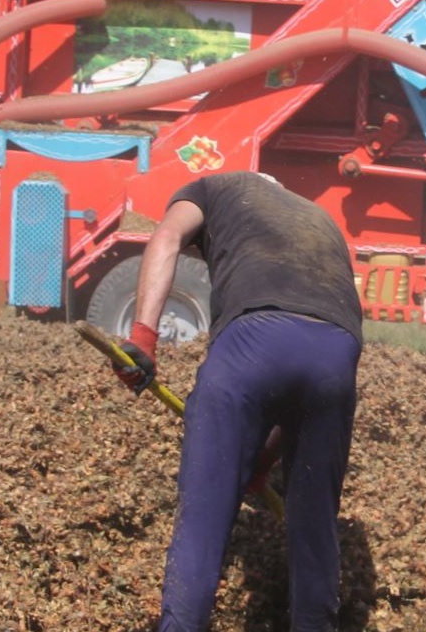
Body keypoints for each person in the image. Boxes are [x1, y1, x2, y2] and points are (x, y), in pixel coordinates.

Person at [112, 171, 364, 632]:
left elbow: (166, 237)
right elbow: (293, 383)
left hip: (252, 341)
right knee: (314, 527)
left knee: (203, 520)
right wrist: (261, 463)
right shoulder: (319, 217)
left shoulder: (215, 188)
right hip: (336, 354)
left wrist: (144, 336)